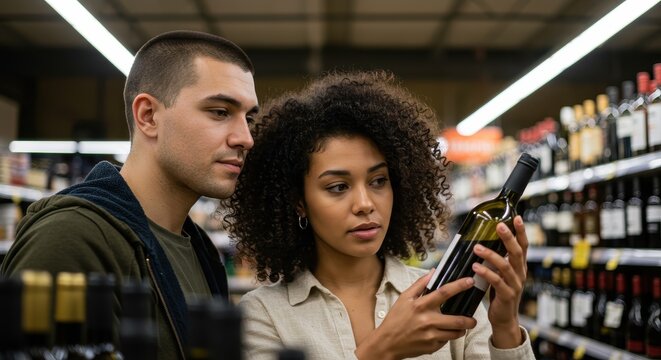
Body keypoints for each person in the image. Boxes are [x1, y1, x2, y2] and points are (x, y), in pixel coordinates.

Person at [222, 70, 535, 359]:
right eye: (337, 187)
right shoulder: (263, 315)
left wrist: (505, 325)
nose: (364, 203)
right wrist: (381, 350)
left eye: (378, 181)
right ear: (299, 201)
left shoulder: (446, 296)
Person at [1, 30, 259, 360]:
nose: (245, 138)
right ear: (148, 116)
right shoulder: (73, 239)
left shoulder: (199, 251)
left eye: (248, 118)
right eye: (220, 111)